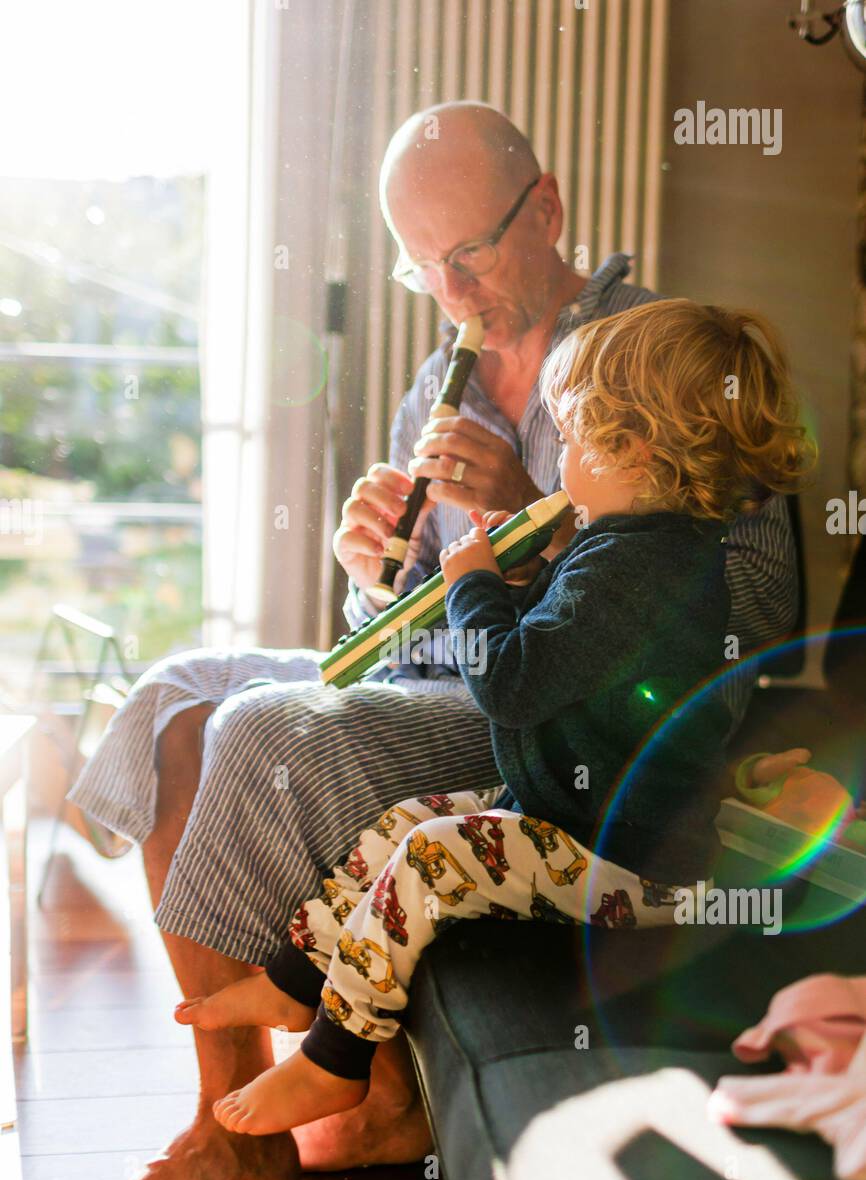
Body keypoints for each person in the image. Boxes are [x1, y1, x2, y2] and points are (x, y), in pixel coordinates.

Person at [40, 103, 798, 1180]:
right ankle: (244, 1124)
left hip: (546, 716)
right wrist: (367, 577)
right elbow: (398, 637)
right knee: (173, 697)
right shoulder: (435, 380)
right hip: (440, 667)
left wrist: (518, 536)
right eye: (420, 266)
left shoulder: (657, 363)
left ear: (542, 211)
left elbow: (746, 615)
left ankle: (258, 1120)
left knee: (256, 729)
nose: (448, 294)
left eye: (469, 256)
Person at [168, 297, 814, 1137]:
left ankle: (335, 1060)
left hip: (632, 862)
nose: (564, 460)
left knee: (434, 855)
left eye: (576, 441)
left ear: (633, 450)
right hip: (572, 814)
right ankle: (296, 980)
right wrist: (519, 577)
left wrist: (471, 582)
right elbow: (564, 643)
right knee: (402, 821)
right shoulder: (630, 547)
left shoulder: (639, 567)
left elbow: (508, 683)